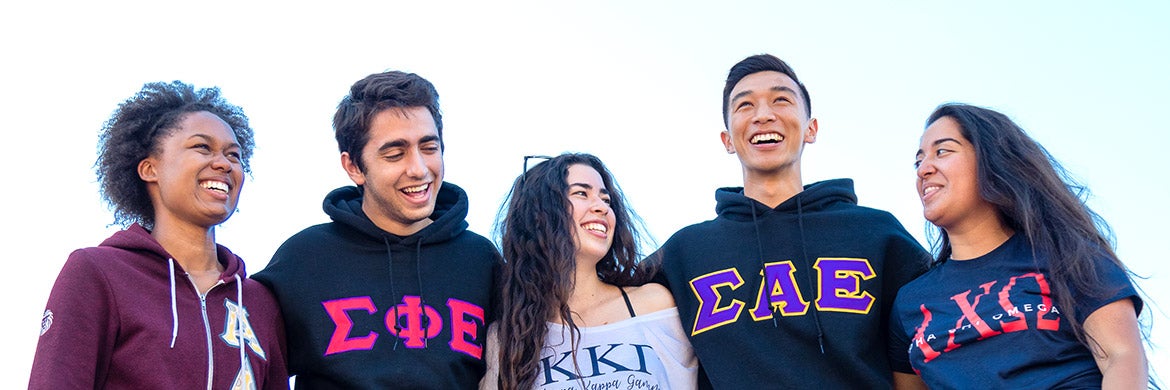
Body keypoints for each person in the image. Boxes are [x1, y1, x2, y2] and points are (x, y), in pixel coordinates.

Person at [650, 54, 932, 388]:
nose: (764, 115)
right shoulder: (684, 253)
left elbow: (929, 347)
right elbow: (595, 298)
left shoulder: (877, 233)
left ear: (811, 129)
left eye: (781, 100)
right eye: (745, 106)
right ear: (727, 140)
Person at [29, 81, 288, 389]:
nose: (223, 163)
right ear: (150, 169)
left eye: (234, 155)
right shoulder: (98, 273)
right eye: (202, 147)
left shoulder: (259, 301)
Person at [252, 70, 501, 388]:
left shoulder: (480, 260)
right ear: (353, 167)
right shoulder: (304, 258)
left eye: (428, 148)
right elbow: (238, 359)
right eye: (395, 154)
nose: (419, 169)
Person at [890, 103, 1149, 388]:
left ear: (991, 160)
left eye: (943, 151)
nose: (924, 169)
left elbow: (1121, 357)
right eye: (918, 160)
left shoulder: (1068, 255)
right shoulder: (910, 302)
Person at [481, 153, 698, 389]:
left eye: (606, 200)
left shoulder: (654, 304)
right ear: (540, 213)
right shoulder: (507, 337)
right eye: (582, 193)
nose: (601, 207)